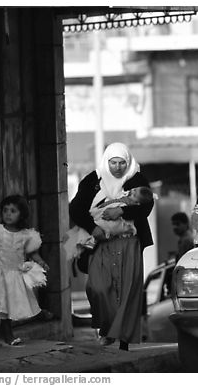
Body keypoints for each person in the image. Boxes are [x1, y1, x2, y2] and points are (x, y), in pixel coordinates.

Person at [69, 143, 154, 350]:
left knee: (127, 290)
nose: (117, 167)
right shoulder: (92, 180)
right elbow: (76, 209)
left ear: (128, 162)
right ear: (106, 161)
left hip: (129, 242)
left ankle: (124, 339)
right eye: (113, 162)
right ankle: (107, 328)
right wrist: (92, 228)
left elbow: (146, 205)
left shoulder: (137, 179)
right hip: (101, 244)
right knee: (97, 288)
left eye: (122, 162)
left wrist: (122, 212)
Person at [0, 195, 49, 346]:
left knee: (10, 304)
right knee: (4, 304)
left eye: (13, 211)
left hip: (15, 275)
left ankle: (1, 333)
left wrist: (41, 262)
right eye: (5, 210)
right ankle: (8, 335)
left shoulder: (25, 235)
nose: (8, 214)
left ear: (22, 214)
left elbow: (32, 252)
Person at [64, 186, 154, 261]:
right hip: (96, 217)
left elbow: (118, 227)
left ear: (137, 203)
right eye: (134, 190)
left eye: (134, 195)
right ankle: (77, 246)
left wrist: (121, 211)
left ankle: (80, 248)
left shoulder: (129, 212)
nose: (132, 193)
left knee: (89, 238)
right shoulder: (122, 194)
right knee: (82, 235)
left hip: (106, 229)